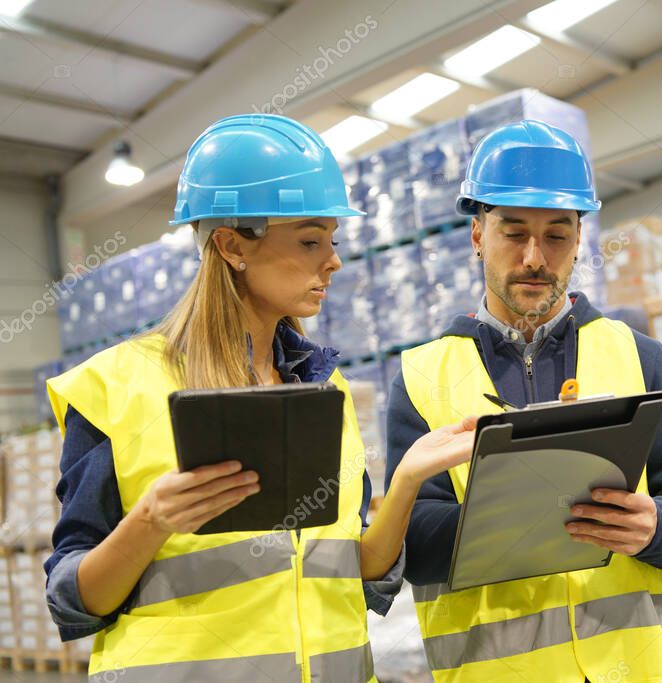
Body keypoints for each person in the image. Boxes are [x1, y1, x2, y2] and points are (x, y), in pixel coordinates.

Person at [43, 114, 476, 682]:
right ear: (230, 245)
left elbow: (361, 572)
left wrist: (407, 483)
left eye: (332, 240)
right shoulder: (115, 388)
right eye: (308, 240)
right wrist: (149, 519)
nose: (334, 260)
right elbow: (73, 601)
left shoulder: (324, 389)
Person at [385, 119, 662, 682]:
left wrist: (658, 526)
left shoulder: (638, 357)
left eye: (556, 235)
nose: (534, 257)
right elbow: (412, 542)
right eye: (513, 232)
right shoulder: (422, 375)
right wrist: (507, 528)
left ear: (579, 240)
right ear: (477, 235)